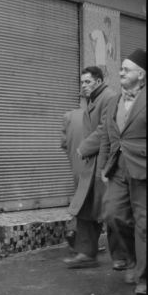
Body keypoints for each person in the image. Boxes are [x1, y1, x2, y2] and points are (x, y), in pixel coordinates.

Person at [98, 49, 146, 295]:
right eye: (121, 69)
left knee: (144, 223)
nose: (121, 73)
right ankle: (134, 260)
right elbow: (107, 136)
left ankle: (144, 276)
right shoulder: (114, 100)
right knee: (113, 214)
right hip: (118, 167)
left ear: (141, 74)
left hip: (143, 168)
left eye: (126, 69)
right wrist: (104, 166)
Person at [63, 67, 117, 269]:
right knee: (86, 207)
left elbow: (105, 128)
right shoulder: (95, 99)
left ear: (99, 80)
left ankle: (123, 258)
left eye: (87, 82)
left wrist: (84, 147)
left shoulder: (109, 97)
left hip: (104, 162)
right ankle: (86, 253)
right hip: (91, 163)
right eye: (82, 82)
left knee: (111, 212)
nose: (83, 86)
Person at [60, 107, 85, 251]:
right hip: (91, 165)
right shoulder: (101, 115)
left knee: (81, 199)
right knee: (90, 202)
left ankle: (74, 231)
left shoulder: (69, 115)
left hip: (76, 165)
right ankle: (74, 231)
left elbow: (63, 143)